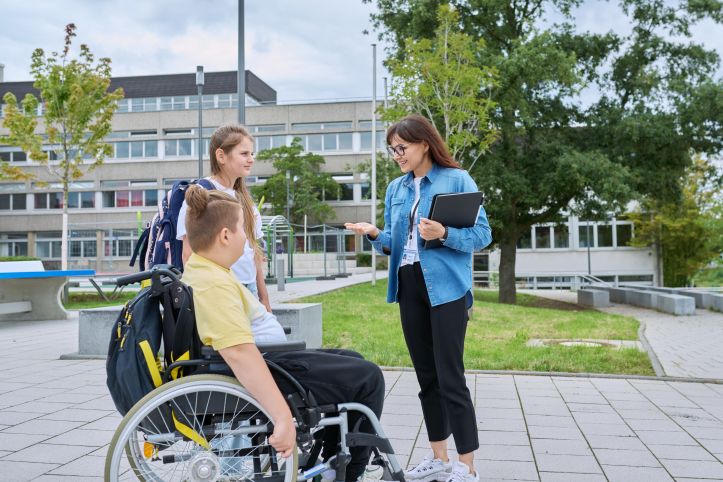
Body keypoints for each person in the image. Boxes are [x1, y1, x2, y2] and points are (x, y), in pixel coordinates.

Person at [182, 185, 385, 482]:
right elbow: (238, 353)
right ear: (225, 235)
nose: (248, 242)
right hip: (269, 365)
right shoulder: (213, 283)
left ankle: (332, 461)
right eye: (242, 230)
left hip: (272, 359)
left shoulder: (207, 271)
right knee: (368, 377)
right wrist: (281, 418)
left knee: (352, 360)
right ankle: (347, 474)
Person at [345, 114, 492, 482]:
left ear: (424, 143)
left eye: (402, 147)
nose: (397, 155)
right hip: (408, 282)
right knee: (426, 377)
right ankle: (439, 459)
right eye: (392, 149)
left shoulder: (456, 179)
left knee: (450, 376)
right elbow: (396, 244)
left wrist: (444, 233)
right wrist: (376, 233)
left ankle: (467, 466)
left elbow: (483, 234)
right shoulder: (397, 188)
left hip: (446, 288)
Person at [177, 124, 273, 313]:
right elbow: (188, 255)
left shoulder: (245, 200)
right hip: (219, 291)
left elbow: (254, 252)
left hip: (249, 289)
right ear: (221, 156)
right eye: (244, 154)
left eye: (252, 154)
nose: (251, 159)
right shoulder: (201, 195)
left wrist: (265, 300)